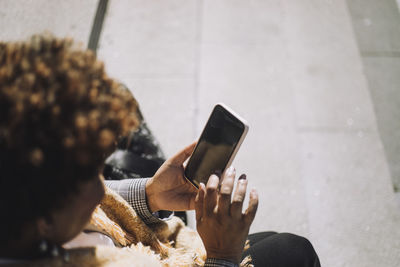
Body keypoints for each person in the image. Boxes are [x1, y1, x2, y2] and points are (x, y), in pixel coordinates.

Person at [0, 34, 320, 266]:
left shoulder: (24, 206)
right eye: (92, 175)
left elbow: (101, 203)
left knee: (277, 242)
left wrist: (151, 193)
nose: (103, 186)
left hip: (160, 247)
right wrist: (223, 256)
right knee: (294, 252)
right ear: (46, 219)